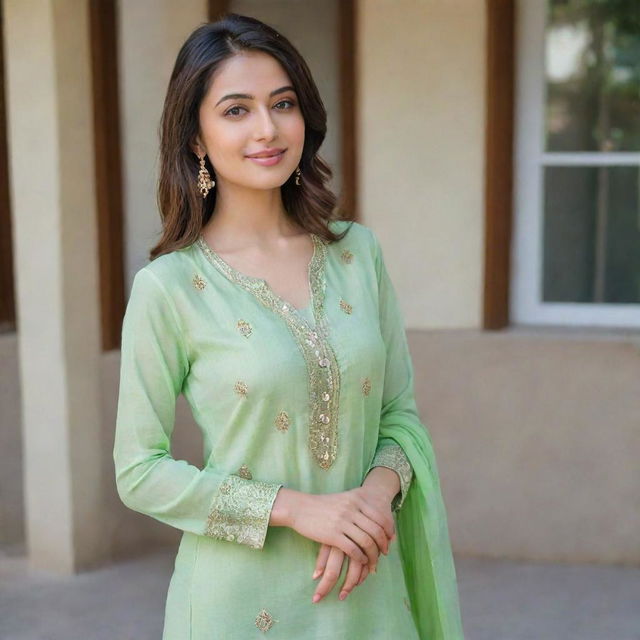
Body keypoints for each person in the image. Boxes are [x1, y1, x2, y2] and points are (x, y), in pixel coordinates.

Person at [113, 13, 464, 640]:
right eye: (237, 110)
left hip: (366, 585)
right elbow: (140, 470)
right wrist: (301, 510)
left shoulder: (358, 254)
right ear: (195, 137)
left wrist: (371, 503)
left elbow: (400, 417)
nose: (269, 129)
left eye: (283, 104)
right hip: (241, 606)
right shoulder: (169, 288)